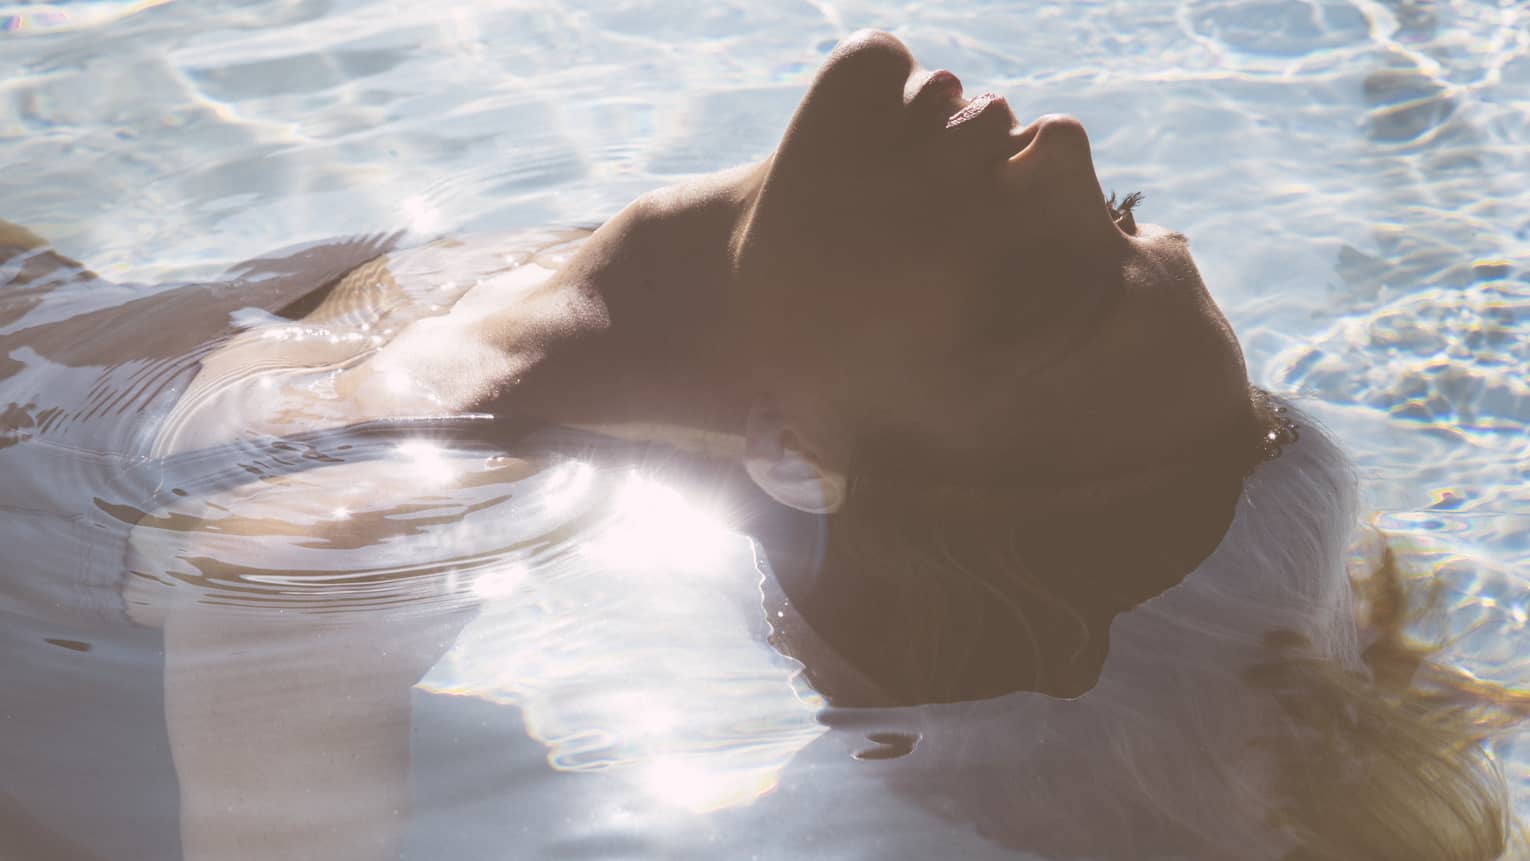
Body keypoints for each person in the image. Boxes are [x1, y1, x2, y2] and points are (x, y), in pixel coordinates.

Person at [1, 28, 1520, 861]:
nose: (1057, 156)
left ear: (799, 450)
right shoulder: (704, 338)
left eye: (1030, 292)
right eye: (1120, 222)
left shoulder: (333, 537)